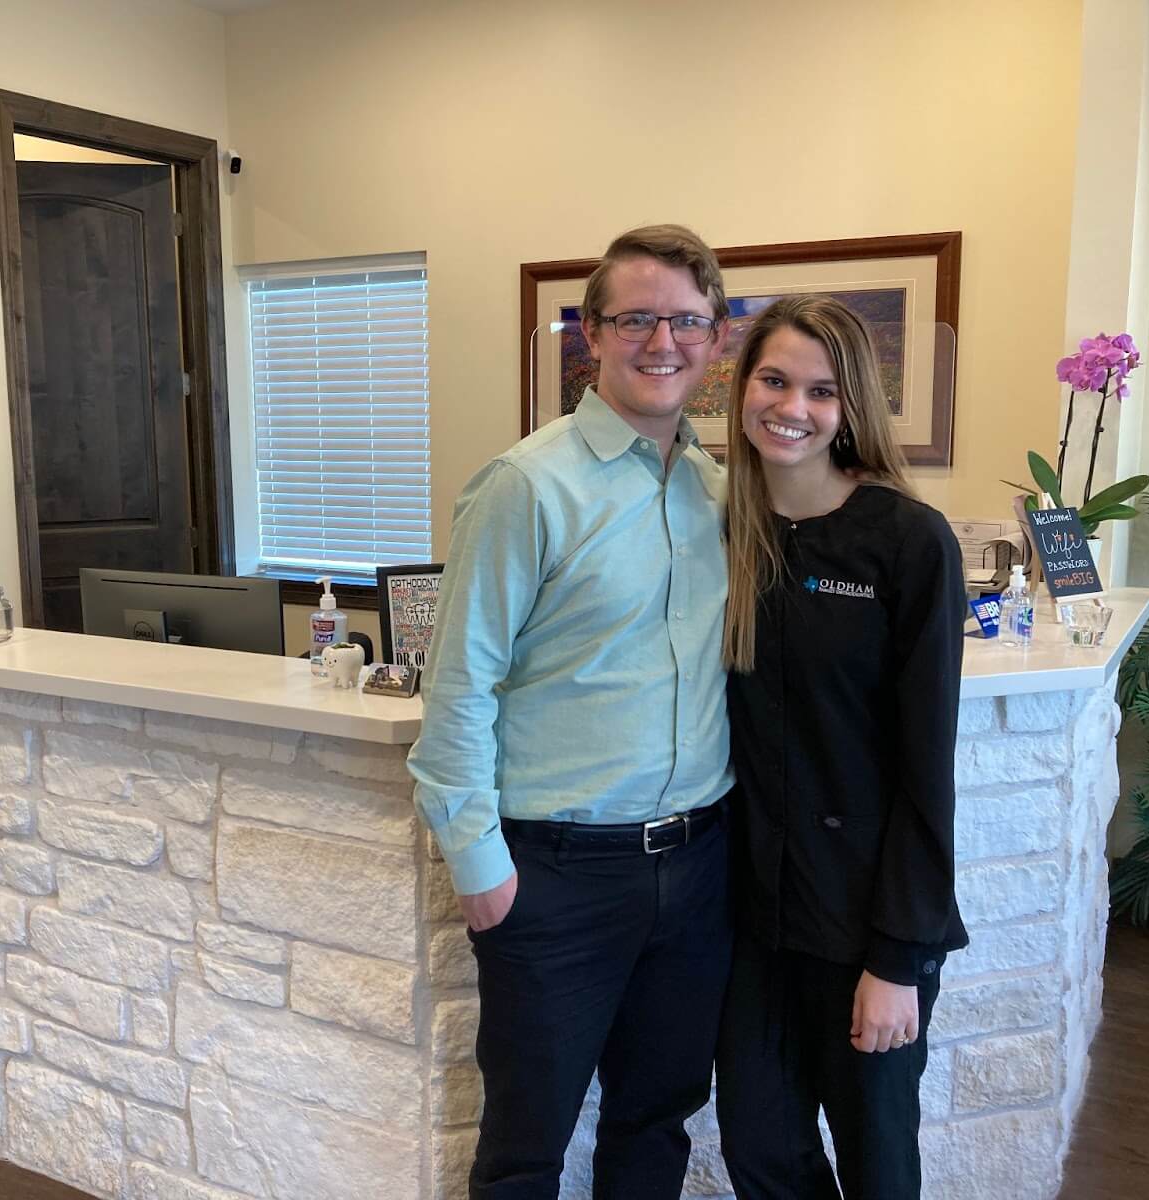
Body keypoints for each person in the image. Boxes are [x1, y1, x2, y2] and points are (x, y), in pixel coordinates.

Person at [408, 224, 738, 1199]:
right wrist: (479, 863)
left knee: (654, 1121)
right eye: (635, 317)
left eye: (685, 320)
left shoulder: (716, 488)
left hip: (698, 869)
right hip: (556, 875)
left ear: (715, 340)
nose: (661, 341)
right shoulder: (524, 486)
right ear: (590, 333)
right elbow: (458, 683)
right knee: (526, 1148)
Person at [712, 294, 969, 1199]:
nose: (793, 407)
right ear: (741, 387)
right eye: (775, 380)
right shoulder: (722, 530)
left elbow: (925, 770)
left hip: (868, 925)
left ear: (851, 405)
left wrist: (898, 960)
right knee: (760, 1153)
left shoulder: (906, 542)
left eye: (821, 390)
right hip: (749, 926)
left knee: (877, 1163)